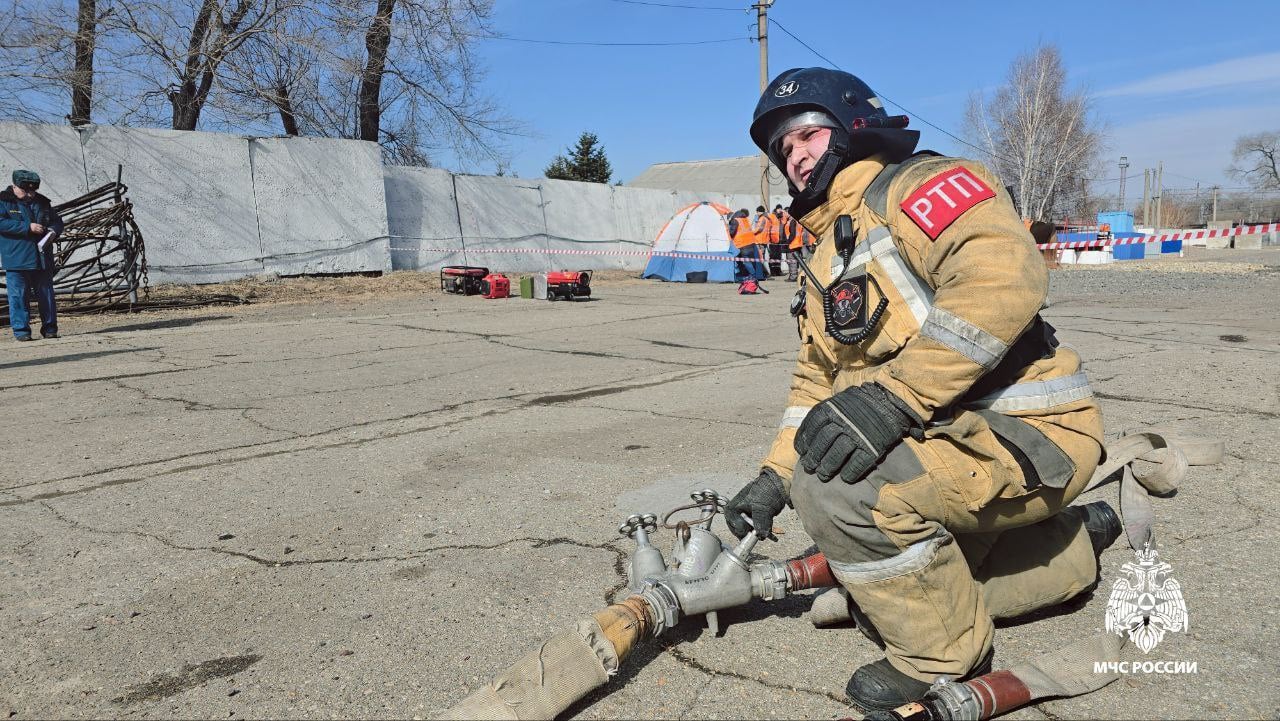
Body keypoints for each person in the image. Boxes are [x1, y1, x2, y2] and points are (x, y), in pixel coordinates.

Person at [724, 68, 1120, 712]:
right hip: (953, 441)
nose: (793, 156)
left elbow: (1002, 276)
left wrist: (894, 398)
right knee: (903, 573)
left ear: (854, 125)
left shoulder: (917, 186)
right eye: (781, 148)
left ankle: (941, 655)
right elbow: (815, 382)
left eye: (806, 135)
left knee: (839, 494)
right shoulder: (827, 250)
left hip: (1032, 432)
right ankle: (1076, 541)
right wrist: (773, 478)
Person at [1, 170, 63, 341]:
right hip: (17, 260)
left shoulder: (42, 202)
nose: (30, 194)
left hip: (42, 258)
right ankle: (22, 332)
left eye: (33, 190)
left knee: (47, 296)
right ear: (14, 186)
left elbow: (57, 221)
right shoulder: (3, 201)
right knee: (18, 297)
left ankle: (50, 329)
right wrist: (27, 227)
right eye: (25, 190)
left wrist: (53, 231)